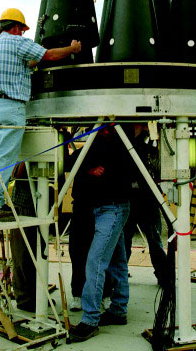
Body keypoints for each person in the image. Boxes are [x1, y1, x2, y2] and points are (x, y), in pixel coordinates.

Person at [0, 7, 81, 222]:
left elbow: (22, 64)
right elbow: (51, 55)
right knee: (6, 157)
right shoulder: (17, 42)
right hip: (12, 106)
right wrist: (71, 49)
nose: (23, 33)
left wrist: (36, 56)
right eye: (22, 30)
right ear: (17, 28)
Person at [69, 127, 134, 343]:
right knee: (117, 260)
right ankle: (118, 308)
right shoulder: (117, 140)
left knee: (96, 261)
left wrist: (87, 170)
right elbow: (76, 161)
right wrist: (89, 170)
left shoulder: (112, 141)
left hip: (111, 209)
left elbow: (75, 162)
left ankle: (90, 319)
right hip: (111, 207)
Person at [123, 124, 167, 287]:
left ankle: (121, 273)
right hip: (144, 199)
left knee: (131, 239)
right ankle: (163, 274)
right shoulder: (147, 151)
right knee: (150, 239)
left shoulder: (136, 150)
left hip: (139, 199)